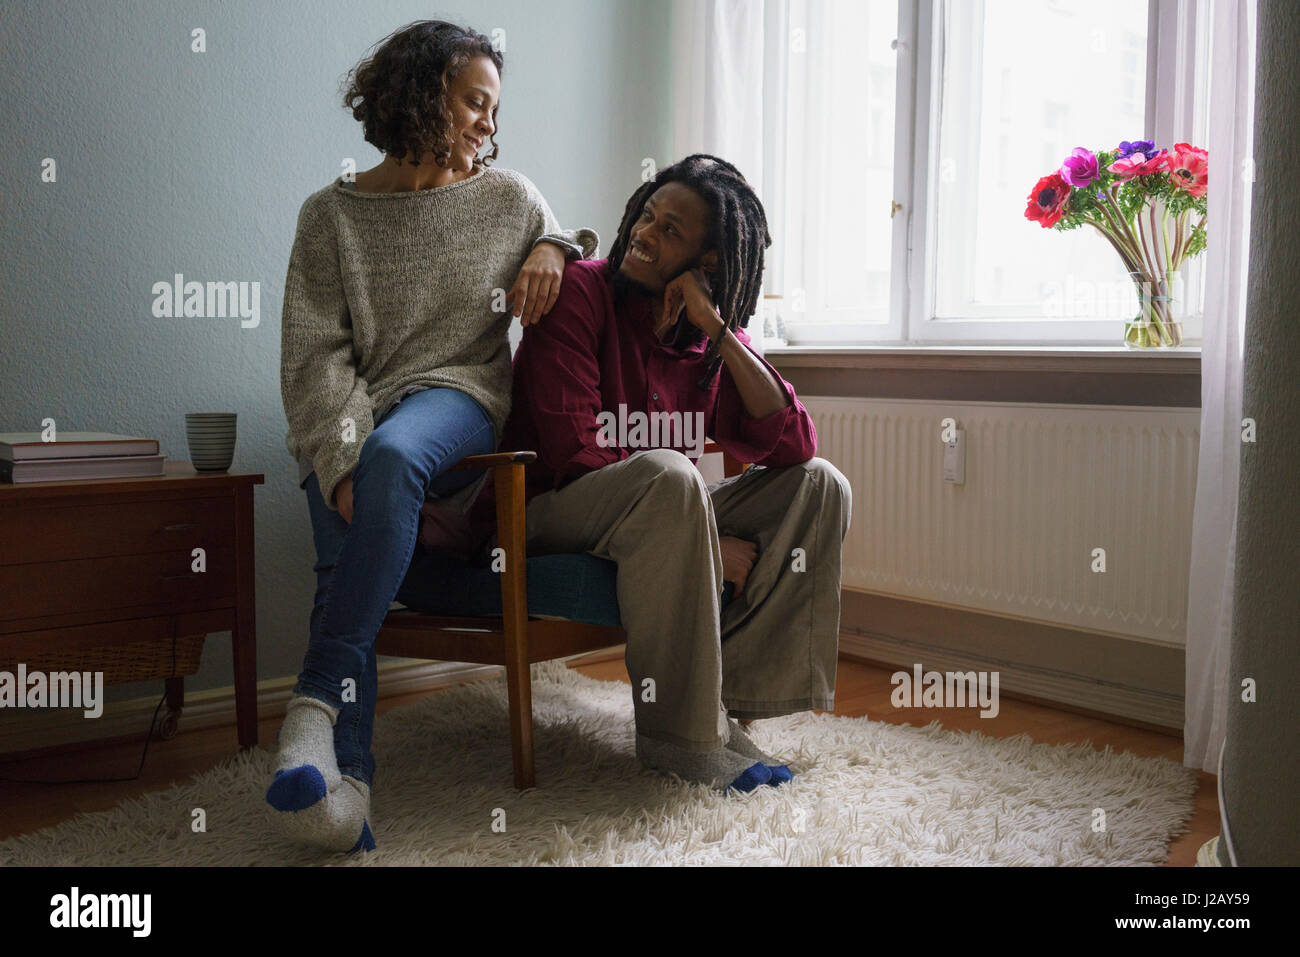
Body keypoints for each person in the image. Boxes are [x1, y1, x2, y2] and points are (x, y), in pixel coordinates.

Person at [271, 19, 597, 854]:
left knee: (389, 456)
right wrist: (340, 457)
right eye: (474, 102)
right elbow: (315, 356)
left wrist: (554, 248)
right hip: (355, 409)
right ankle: (344, 796)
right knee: (340, 557)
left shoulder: (508, 198)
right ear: (422, 96)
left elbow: (573, 239)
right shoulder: (329, 216)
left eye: (494, 108)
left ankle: (310, 705)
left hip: (459, 396)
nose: (489, 123)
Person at [435, 154, 851, 794]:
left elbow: (793, 444)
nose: (645, 234)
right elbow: (576, 452)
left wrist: (719, 329)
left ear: (707, 265)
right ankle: (679, 739)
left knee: (822, 484)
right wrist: (705, 539)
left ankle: (725, 707)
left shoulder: (701, 338)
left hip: (652, 508)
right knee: (668, 474)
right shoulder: (582, 291)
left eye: (671, 231)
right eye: (647, 217)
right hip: (541, 509)